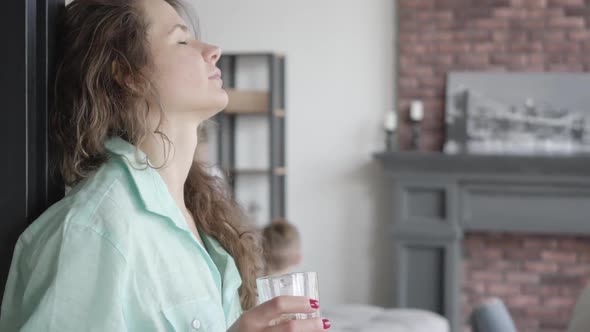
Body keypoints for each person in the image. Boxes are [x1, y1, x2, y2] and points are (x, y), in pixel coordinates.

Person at [0, 0, 329, 331]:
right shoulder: (94, 231)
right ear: (127, 73)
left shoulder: (199, 220)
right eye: (182, 40)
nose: (214, 50)